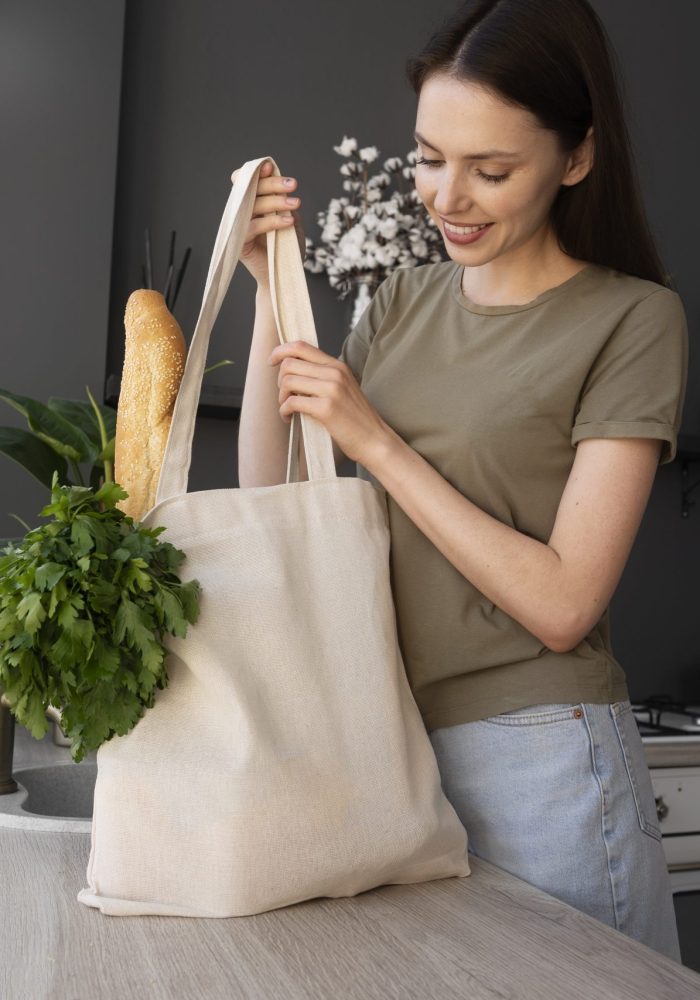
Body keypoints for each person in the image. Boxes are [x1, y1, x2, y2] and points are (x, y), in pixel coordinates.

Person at [235, 0, 688, 964]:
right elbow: (275, 494)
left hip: (543, 756)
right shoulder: (403, 298)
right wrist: (272, 290)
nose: (448, 197)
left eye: (491, 170)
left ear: (576, 157)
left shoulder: (633, 320)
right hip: (389, 747)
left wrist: (378, 441)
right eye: (430, 158)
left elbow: (564, 605)